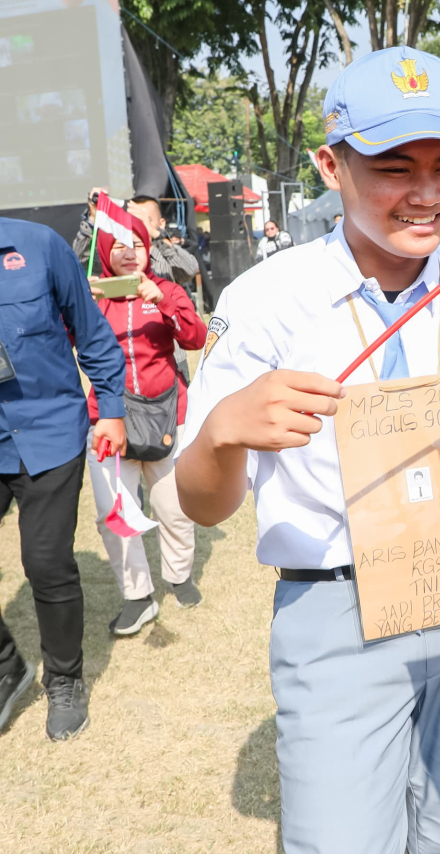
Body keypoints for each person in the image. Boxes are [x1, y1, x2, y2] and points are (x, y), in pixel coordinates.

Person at [174, 47, 440, 853]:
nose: (428, 193)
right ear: (331, 165)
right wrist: (227, 427)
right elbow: (203, 502)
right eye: (394, 167)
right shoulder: (268, 301)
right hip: (338, 613)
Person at [0, 217, 127, 741]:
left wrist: (112, 409)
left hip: (47, 432)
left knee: (45, 562)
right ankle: (9, 667)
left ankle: (65, 680)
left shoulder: (37, 245)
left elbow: (91, 330)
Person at [85, 210, 207, 636]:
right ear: (105, 252)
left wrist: (163, 300)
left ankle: (179, 574)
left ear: (147, 248)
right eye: (118, 245)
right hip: (107, 422)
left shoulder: (167, 288)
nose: (129, 252)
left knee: (173, 507)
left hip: (168, 417)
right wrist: (76, 301)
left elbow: (195, 338)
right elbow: (67, 344)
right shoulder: (93, 300)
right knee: (113, 512)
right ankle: (137, 596)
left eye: (136, 243)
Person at [74, 191, 200, 289]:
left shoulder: (167, 255)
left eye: (147, 220)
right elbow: (81, 258)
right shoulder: (118, 254)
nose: (140, 225)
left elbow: (189, 270)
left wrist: (155, 233)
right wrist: (92, 219)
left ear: (161, 223)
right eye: (135, 220)